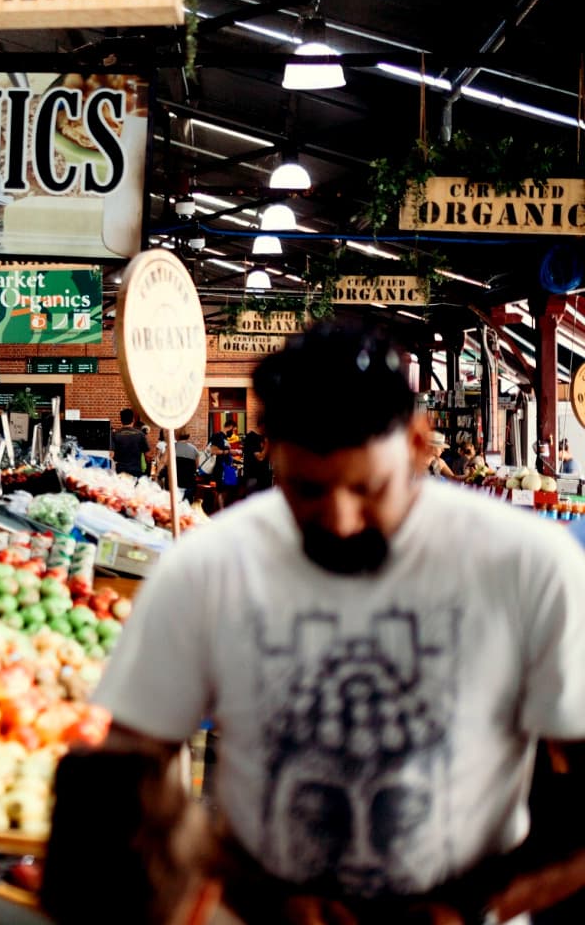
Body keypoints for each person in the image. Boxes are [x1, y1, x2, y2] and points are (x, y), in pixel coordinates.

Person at [40, 323, 585, 925]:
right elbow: (121, 777)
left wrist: (474, 903)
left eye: (367, 488)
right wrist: (234, 886)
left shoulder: (527, 564)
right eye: (308, 490)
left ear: (418, 442)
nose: (341, 519)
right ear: (270, 449)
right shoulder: (209, 569)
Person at [112, 407, 150, 476]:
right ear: (133, 419)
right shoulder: (140, 434)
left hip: (120, 471)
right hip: (136, 470)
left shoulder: (115, 435)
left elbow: (111, 455)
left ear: (121, 420)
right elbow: (147, 455)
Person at [168, 429, 200, 506]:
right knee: (187, 504)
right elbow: (197, 466)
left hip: (175, 480)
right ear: (188, 437)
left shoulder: (171, 447)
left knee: (175, 504)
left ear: (177, 436)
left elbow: (166, 463)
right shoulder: (194, 449)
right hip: (189, 481)